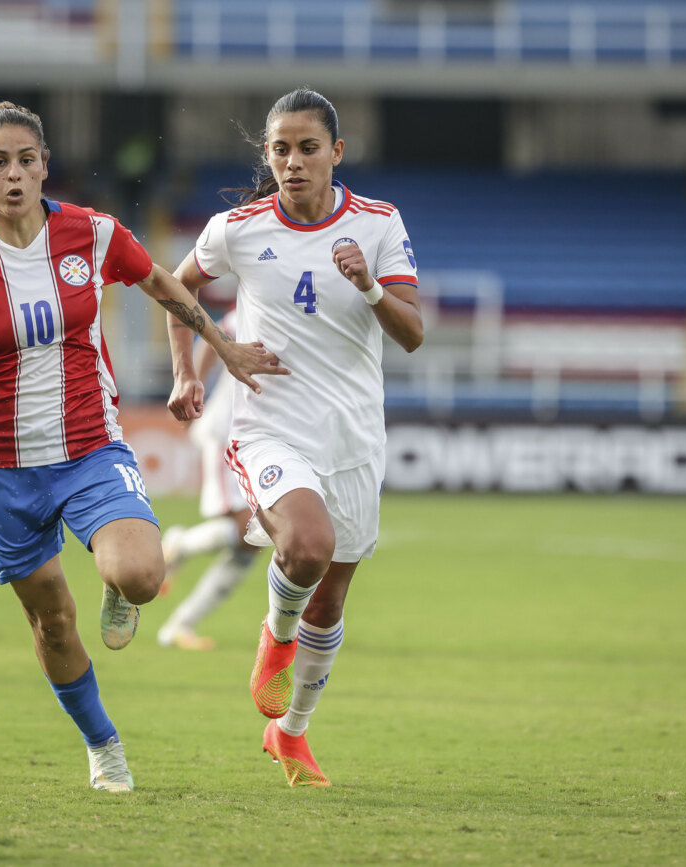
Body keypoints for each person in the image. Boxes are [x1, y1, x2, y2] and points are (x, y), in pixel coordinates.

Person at [0, 102, 287, 793]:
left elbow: (161, 282)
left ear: (45, 165)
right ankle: (103, 744)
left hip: (89, 446)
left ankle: (119, 584)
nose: (14, 174)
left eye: (27, 160)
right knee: (53, 622)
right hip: (1, 467)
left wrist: (221, 348)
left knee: (143, 574)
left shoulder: (90, 233)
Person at [166, 88, 424, 787]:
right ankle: (273, 640)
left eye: (308, 147)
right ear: (268, 156)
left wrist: (370, 287)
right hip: (271, 425)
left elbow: (412, 333)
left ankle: (292, 733)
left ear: (336, 153)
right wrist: (199, 364)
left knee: (332, 597)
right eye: (280, 148)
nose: (293, 160)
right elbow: (176, 288)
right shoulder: (239, 228)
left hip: (354, 437)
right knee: (306, 546)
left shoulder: (377, 224)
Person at [156, 306, 262, 651]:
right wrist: (193, 388)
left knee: (252, 542)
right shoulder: (257, 304)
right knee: (248, 531)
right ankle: (179, 544)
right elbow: (213, 338)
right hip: (229, 433)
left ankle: (179, 626)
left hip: (264, 442)